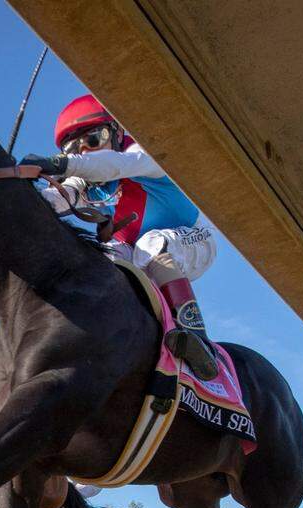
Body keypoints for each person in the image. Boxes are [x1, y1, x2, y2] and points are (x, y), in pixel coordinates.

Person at [21, 94, 219, 380]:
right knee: (104, 264)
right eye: (72, 147)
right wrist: (16, 189)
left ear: (117, 133)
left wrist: (61, 163)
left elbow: (113, 164)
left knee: (150, 246)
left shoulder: (141, 154)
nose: (84, 153)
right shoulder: (88, 181)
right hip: (134, 248)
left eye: (93, 140)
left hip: (194, 238)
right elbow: (56, 199)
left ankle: (196, 338)